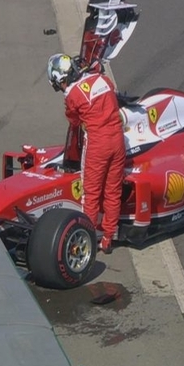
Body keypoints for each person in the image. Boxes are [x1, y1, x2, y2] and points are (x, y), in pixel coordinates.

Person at [47, 53, 125, 254]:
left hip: (98, 143)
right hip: (118, 139)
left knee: (90, 194)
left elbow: (73, 121)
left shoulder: (72, 95)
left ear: (61, 79)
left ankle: (88, 239)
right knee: (113, 191)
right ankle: (108, 238)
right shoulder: (103, 79)